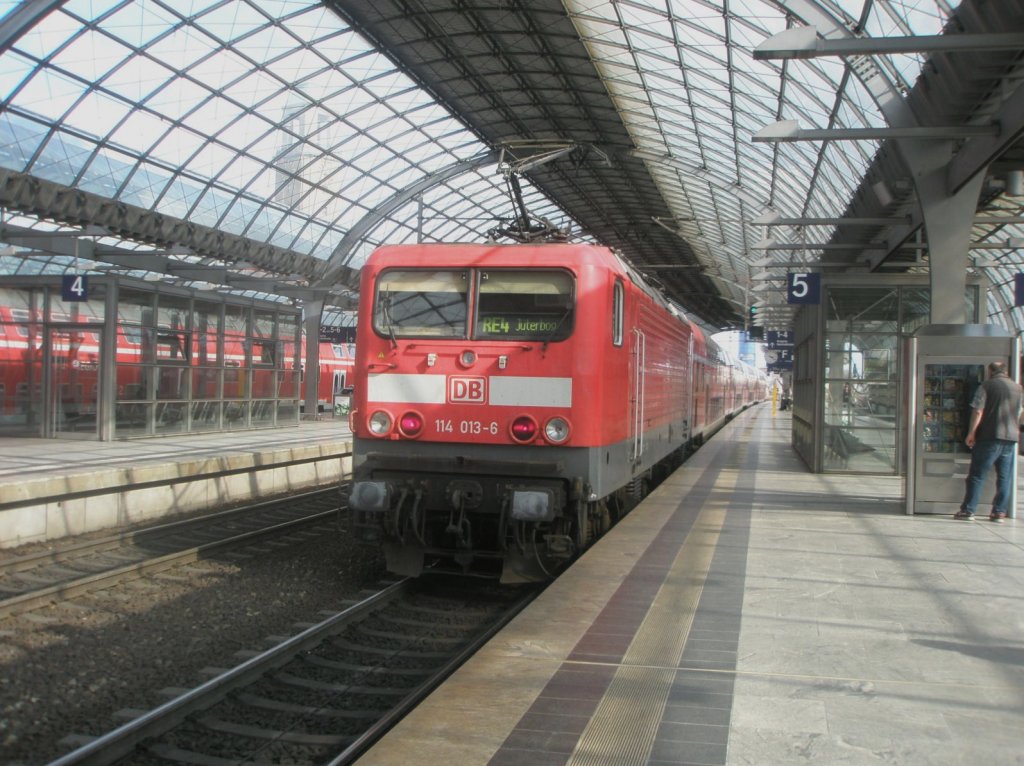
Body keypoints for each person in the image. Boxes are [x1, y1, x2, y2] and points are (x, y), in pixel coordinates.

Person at [955, 360, 1023, 522]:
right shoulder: (1018, 388)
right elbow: (1020, 412)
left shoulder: (986, 386)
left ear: (990, 371)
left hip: (989, 437)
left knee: (977, 475)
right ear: (1005, 371)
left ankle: (968, 510)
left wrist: (971, 433)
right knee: (1005, 477)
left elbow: (978, 410)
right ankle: (999, 512)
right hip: (1010, 439)